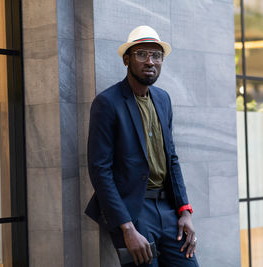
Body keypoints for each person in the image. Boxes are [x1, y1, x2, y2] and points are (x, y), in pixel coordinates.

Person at [84, 25, 199, 267]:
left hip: (168, 210)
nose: (150, 61)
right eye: (142, 54)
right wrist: (126, 228)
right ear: (127, 60)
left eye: (156, 55)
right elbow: (99, 170)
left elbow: (172, 158)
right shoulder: (107, 103)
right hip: (134, 212)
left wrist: (185, 210)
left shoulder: (163, 99)